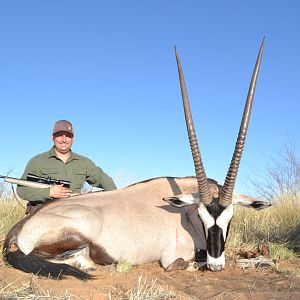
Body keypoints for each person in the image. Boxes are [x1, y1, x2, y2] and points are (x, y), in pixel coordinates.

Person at [17, 119, 117, 214]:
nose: (64, 140)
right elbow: (22, 190)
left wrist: (111, 203)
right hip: (44, 212)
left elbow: (106, 182)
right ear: (52, 137)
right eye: (60, 135)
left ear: (73, 139)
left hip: (76, 213)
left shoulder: (84, 162)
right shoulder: (37, 161)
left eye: (68, 136)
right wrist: (49, 193)